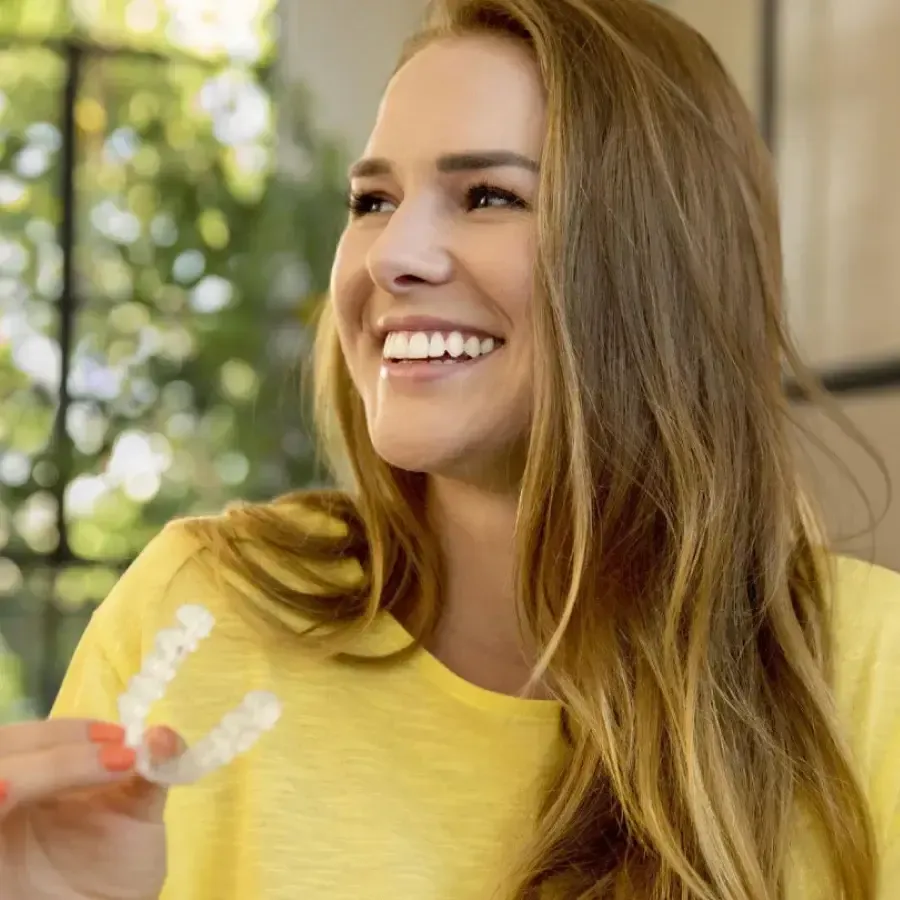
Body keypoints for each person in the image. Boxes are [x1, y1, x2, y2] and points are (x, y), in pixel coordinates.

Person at [1, 0, 898, 897]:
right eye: (374, 200)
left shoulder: (871, 669)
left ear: (659, 262)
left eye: (488, 196)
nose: (393, 254)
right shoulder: (204, 609)